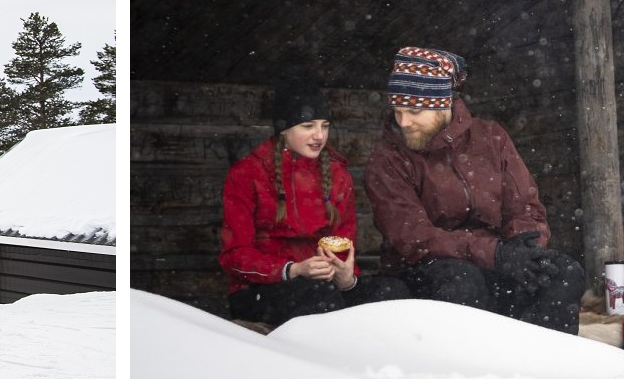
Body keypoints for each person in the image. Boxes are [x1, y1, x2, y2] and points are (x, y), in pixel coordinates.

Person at [363, 46, 585, 333]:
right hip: (423, 268)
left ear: (443, 103)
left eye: (414, 110)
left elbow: (524, 204)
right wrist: (494, 254)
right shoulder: (389, 158)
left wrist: (524, 248)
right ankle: (469, 370)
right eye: (398, 110)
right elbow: (413, 237)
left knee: (563, 274)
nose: (404, 122)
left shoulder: (490, 138)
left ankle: (544, 365)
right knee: (460, 280)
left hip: (493, 257)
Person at [219, 75, 409, 329]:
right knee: (321, 298)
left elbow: (343, 243)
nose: (319, 135)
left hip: (325, 287)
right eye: (308, 126)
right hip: (260, 289)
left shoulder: (337, 176)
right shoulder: (247, 174)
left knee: (392, 292)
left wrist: (346, 278)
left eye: (325, 125)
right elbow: (235, 255)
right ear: (284, 129)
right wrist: (293, 270)